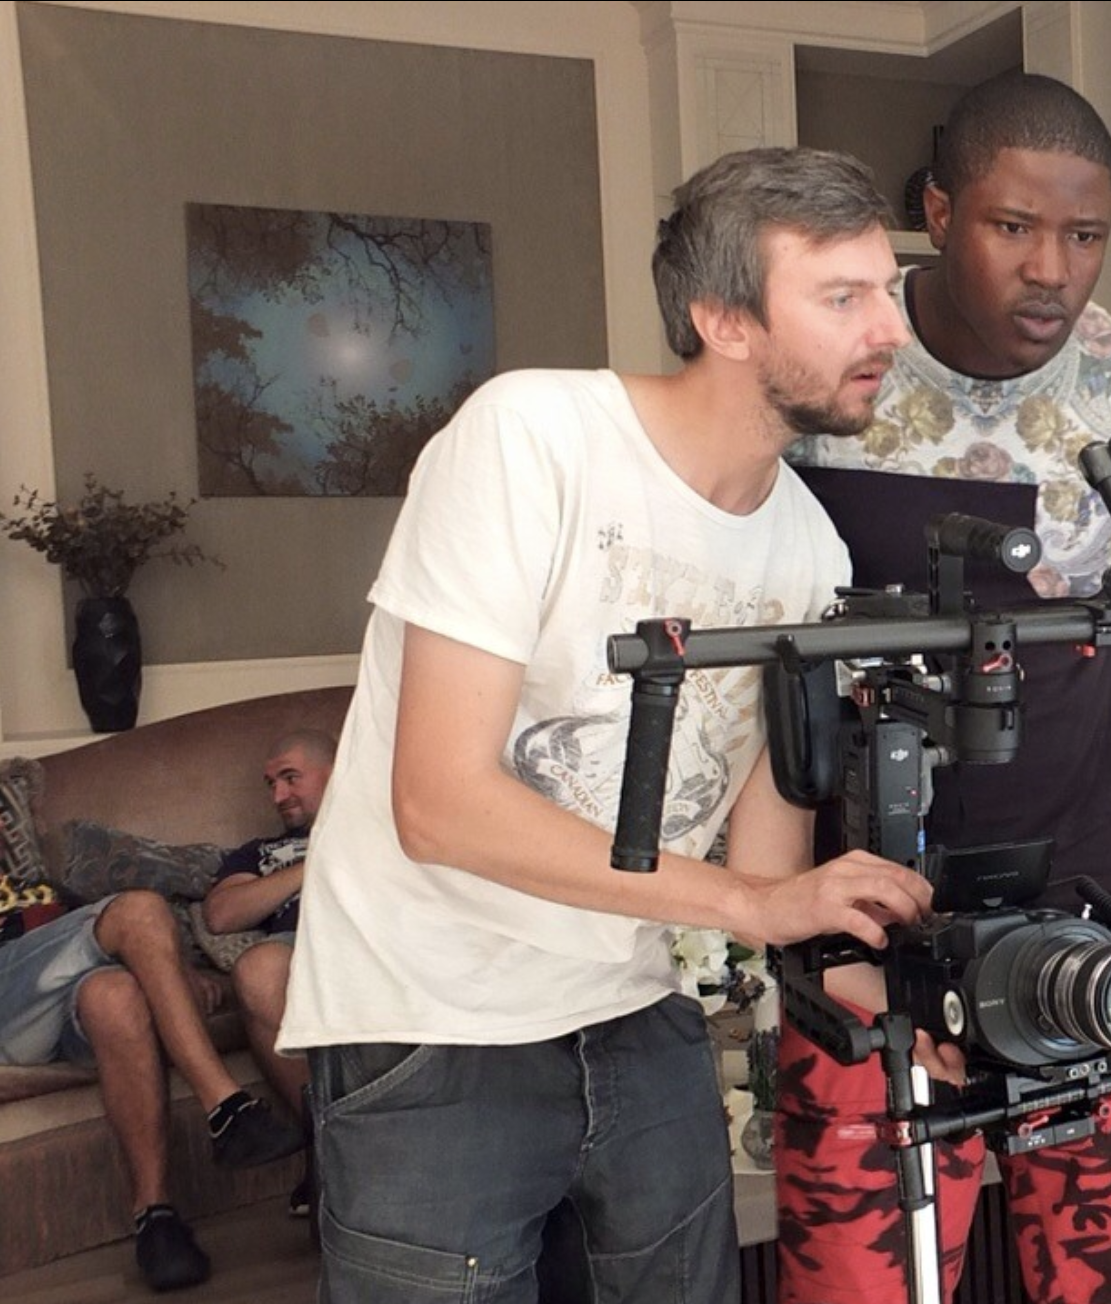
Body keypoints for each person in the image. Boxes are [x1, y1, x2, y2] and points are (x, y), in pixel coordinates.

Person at [276, 145, 937, 1304]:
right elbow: (438, 803)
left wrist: (901, 1007)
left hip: (638, 1016)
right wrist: (748, 904)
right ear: (723, 319)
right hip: (433, 1026)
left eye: (888, 289)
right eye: (842, 297)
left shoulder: (808, 549)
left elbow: (763, 870)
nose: (889, 327)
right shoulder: (531, 437)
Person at [779, 72, 1111, 1304]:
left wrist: (1078, 677)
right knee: (867, 1285)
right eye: (1013, 226)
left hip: (1082, 896)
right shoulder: (834, 366)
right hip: (868, 908)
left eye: (1084, 236)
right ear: (937, 210)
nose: (1051, 271)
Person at [0, 886, 307, 1291]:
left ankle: (155, 1217)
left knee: (114, 998)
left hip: (60, 986)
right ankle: (227, 1108)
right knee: (139, 909)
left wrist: (172, 967)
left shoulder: (42, 884)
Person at [202, 726, 335, 1217]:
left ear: (335, 770)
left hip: (373, 938)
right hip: (296, 947)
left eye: (291, 778)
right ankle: (334, 1145)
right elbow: (221, 915)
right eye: (271, 784)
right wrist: (313, 862)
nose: (278, 796)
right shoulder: (258, 853)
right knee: (257, 969)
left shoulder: (382, 821)